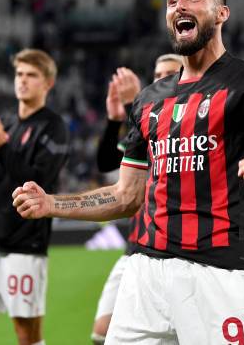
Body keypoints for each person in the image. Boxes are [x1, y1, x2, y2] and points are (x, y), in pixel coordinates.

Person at [13, 0, 244, 344]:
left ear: (221, 13)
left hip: (220, 273)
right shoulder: (148, 101)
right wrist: (52, 204)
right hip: (144, 274)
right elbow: (127, 196)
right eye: (173, 1)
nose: (180, 6)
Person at [0, 49, 70, 345]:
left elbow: (38, 183)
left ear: (48, 83)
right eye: (19, 74)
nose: (23, 81)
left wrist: (3, 146)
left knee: (27, 337)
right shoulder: (4, 125)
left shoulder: (54, 128)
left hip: (25, 247)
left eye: (31, 75)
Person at [92, 55, 182, 344]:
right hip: (136, 247)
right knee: (102, 331)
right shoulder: (147, 118)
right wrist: (114, 119)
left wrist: (134, 107)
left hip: (176, 250)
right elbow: (107, 161)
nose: (162, 79)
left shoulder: (186, 121)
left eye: (170, 73)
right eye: (158, 74)